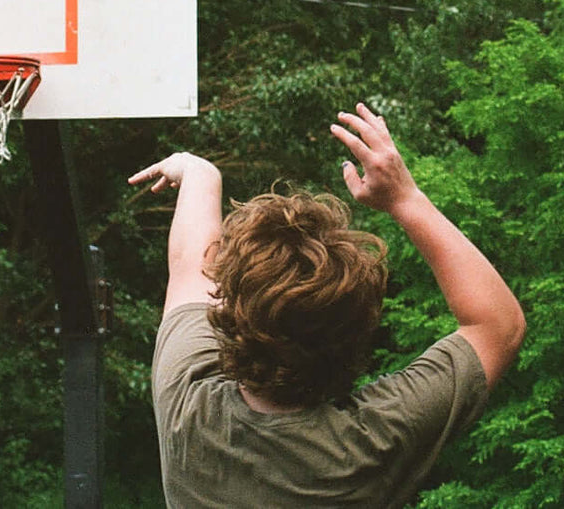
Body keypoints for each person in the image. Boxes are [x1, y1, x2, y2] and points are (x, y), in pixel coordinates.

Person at [128, 103, 526, 507]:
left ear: (229, 311)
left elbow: (189, 267)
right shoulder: (374, 441)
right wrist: (405, 198)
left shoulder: (187, 407)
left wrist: (199, 173)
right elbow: (498, 325)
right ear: (358, 330)